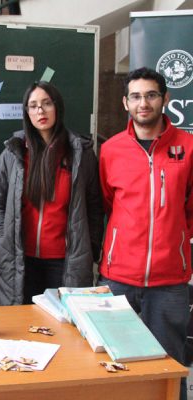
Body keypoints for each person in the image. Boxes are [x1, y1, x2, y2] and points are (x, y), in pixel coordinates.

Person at [98, 67, 193, 400]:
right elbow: (108, 204)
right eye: (136, 96)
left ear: (165, 99)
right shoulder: (111, 150)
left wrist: (174, 242)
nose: (144, 103)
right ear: (125, 102)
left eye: (151, 95)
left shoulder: (188, 146)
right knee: (112, 366)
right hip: (118, 278)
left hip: (170, 282)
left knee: (169, 367)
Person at [0, 81, 104, 306]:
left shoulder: (80, 153)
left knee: (63, 328)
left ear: (57, 107)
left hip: (66, 262)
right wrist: (3, 239)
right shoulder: (13, 153)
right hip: (21, 260)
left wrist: (90, 247)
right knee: (22, 328)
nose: (40, 111)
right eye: (33, 106)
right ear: (27, 112)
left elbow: (94, 206)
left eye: (46, 103)